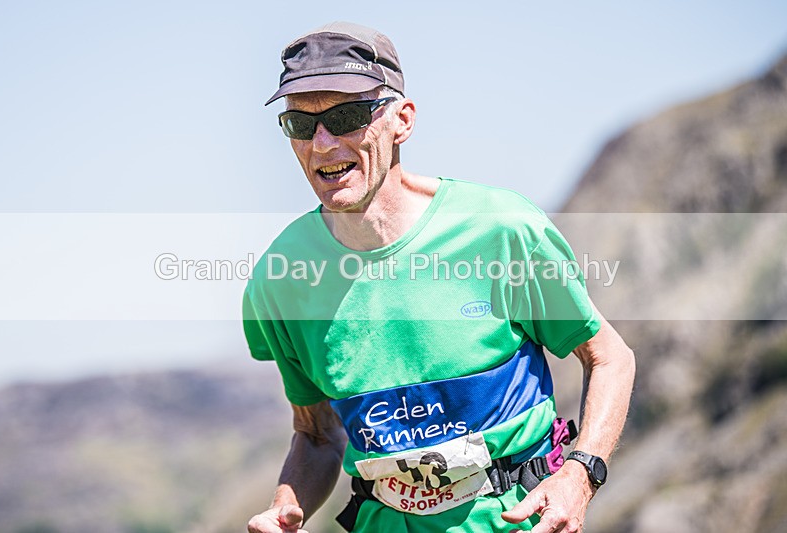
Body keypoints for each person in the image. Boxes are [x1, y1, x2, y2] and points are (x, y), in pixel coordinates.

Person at [243, 21, 635, 533]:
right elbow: (318, 435)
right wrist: (284, 505)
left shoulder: (500, 230)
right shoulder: (281, 280)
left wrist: (581, 475)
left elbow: (609, 358)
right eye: (300, 123)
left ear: (401, 120)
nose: (321, 143)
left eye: (345, 116)